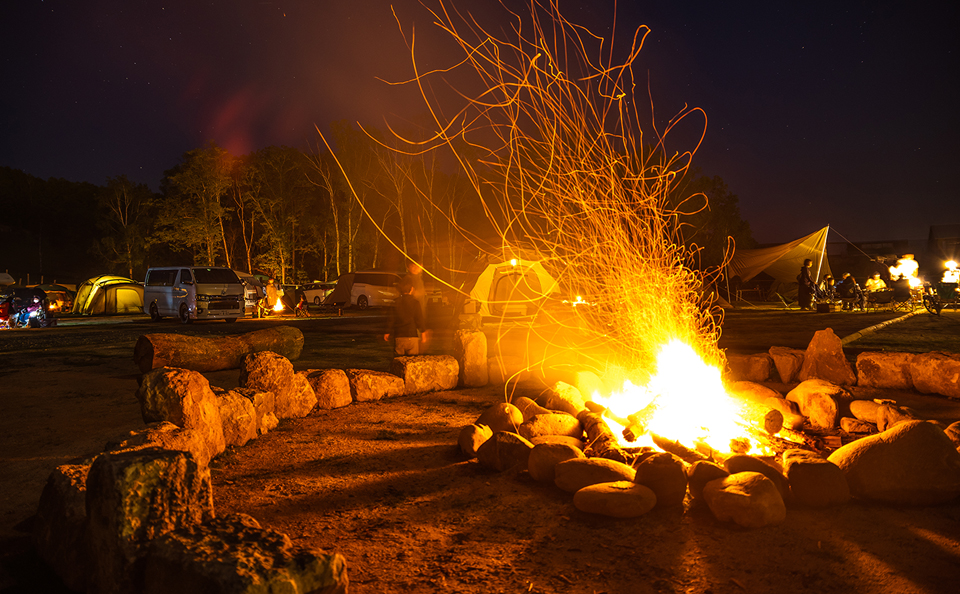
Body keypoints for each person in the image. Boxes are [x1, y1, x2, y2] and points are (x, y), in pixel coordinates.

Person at [384, 277, 426, 355]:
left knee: (399, 362)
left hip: (399, 336)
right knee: (412, 363)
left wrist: (387, 332)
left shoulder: (395, 302)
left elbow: (391, 319)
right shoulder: (415, 303)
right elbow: (419, 319)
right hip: (412, 336)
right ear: (412, 289)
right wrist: (423, 332)